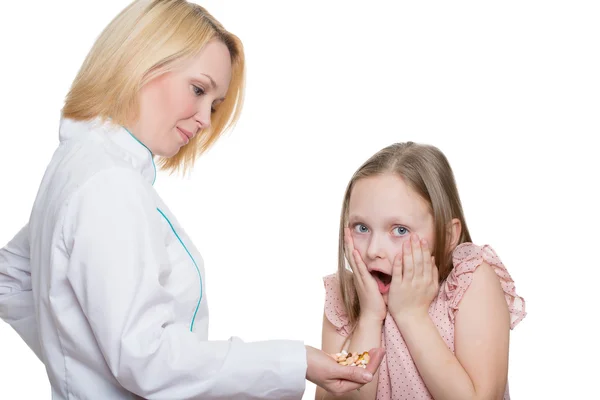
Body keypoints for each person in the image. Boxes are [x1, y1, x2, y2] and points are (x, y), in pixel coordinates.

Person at [0, 1, 384, 399]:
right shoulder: (110, 185)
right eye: (198, 90)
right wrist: (297, 361)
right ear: (141, 61)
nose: (204, 119)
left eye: (214, 104)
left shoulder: (82, 164)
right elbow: (146, 359)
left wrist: (78, 362)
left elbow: (10, 277)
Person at [316, 142, 527, 400]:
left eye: (400, 230)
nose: (373, 250)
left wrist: (411, 315)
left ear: (448, 235)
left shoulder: (471, 283)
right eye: (361, 228)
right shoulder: (345, 296)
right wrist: (370, 317)